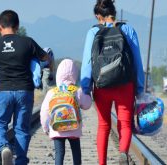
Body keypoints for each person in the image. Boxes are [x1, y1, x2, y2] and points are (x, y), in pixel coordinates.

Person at [80, 0, 145, 165]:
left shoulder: (93, 32)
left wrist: (85, 87)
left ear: (98, 16)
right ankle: (123, 152)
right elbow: (137, 61)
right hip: (125, 84)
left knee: (103, 125)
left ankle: (102, 163)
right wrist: (139, 88)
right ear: (113, 13)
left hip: (102, 86)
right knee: (125, 123)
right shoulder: (128, 29)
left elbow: (88, 62)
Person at [0, 10, 48, 165]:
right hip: (24, 91)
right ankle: (21, 161)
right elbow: (45, 58)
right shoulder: (28, 42)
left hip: (3, 91)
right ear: (18, 26)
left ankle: (3, 148)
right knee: (21, 129)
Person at [40, 59, 92, 165]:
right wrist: (88, 94)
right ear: (74, 75)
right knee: (76, 151)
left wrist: (45, 128)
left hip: (57, 128)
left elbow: (44, 112)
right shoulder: (76, 91)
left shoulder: (52, 92)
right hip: (74, 127)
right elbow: (87, 105)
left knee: (59, 153)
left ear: (58, 74)